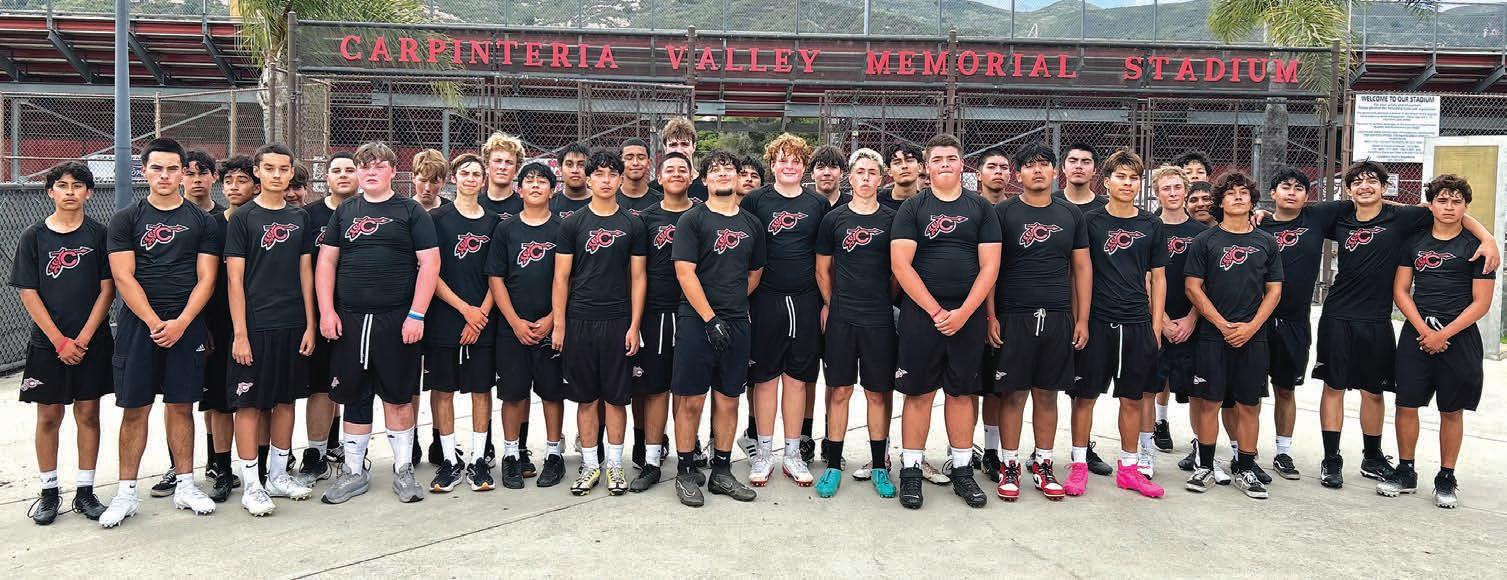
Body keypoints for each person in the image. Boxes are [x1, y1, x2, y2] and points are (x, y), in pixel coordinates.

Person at [1308, 161, 1496, 489]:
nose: (1365, 187)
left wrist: (1488, 238)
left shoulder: (1402, 218)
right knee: (1334, 387)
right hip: (1338, 314)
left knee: (1374, 391)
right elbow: (1293, 213)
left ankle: (1373, 456)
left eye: (1372, 181)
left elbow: (1447, 210)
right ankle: (1332, 459)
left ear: (1385, 188)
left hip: (1378, 319)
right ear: (1348, 189)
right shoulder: (1338, 215)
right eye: (1358, 182)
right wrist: (1262, 215)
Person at [101, 138, 222, 527]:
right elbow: (123, 276)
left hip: (186, 324)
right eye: (157, 168)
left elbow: (207, 278)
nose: (165, 176)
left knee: (181, 405)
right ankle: (126, 493)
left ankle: (186, 485)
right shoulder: (125, 219)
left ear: (183, 172)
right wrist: (155, 322)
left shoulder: (203, 221)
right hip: (141, 325)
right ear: (145, 171)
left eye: (173, 169)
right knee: (135, 408)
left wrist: (182, 322)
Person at [316, 141, 440, 504]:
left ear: (392, 171)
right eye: (364, 166)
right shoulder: (345, 211)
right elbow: (326, 262)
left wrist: (416, 314)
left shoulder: (410, 211)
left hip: (396, 319)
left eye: (379, 166)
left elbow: (430, 264)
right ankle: (354, 471)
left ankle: (403, 470)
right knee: (354, 396)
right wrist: (327, 311)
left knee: (398, 398)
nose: (370, 172)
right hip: (351, 320)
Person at [890, 134, 1000, 509]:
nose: (945, 164)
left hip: (966, 315)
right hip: (922, 315)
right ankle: (911, 470)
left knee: (961, 393)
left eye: (951, 158)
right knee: (919, 393)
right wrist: (936, 312)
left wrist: (965, 312)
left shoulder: (980, 208)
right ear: (927, 166)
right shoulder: (913, 208)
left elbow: (990, 266)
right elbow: (901, 265)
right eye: (937, 159)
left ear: (962, 163)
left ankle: (963, 471)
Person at [1379, 174, 1495, 508]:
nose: (1449, 207)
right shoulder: (1414, 242)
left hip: (1458, 337)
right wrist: (1424, 330)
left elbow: (1481, 303)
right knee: (1406, 404)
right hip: (1417, 333)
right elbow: (1401, 290)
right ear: (1430, 205)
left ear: (1466, 206)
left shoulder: (1477, 248)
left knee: (1451, 409)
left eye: (1456, 201)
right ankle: (1405, 470)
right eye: (1442, 200)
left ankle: (1446, 476)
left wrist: (1443, 334)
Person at [985, 143, 1089, 502]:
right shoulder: (1003, 213)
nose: (1038, 171)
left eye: (1044, 164)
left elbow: (1081, 269)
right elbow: (990, 268)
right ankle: (1009, 465)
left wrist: (1082, 318)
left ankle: (1044, 465)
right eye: (1030, 165)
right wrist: (990, 315)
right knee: (1013, 394)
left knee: (1047, 394)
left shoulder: (1070, 214)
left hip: (1058, 315)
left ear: (1055, 172)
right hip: (1014, 315)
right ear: (1018, 174)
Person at [12, 162, 114, 524]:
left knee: (88, 414)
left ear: (89, 192)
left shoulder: (100, 234)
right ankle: (49, 492)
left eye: (77, 186)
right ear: (50, 191)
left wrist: (83, 338)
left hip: (91, 342)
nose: (70, 192)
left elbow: (107, 289)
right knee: (49, 416)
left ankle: (85, 492)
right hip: (48, 344)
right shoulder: (33, 236)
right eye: (62, 185)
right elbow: (28, 291)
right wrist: (59, 341)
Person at [223, 144, 318, 515]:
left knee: (285, 401)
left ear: (291, 172)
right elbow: (234, 280)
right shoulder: (242, 218)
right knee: (248, 405)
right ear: (258, 172)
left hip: (292, 324)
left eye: (283, 169)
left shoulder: (300, 218)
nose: (277, 175)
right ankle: (252, 484)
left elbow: (306, 273)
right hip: (255, 326)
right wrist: (240, 333)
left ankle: (278, 475)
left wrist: (310, 324)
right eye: (270, 168)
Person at [1068, 149, 1166, 499]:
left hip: (1136, 322)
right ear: (1106, 181)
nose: (1127, 183)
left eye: (1133, 178)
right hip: (1097, 321)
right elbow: (1077, 274)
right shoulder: (1090, 221)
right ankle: (1079, 465)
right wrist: (1080, 320)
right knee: (1084, 397)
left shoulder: (1151, 224)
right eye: (1120, 177)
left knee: (1133, 399)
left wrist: (1156, 327)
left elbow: (1158, 278)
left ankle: (1129, 468)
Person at [551, 151, 648, 496]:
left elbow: (638, 277)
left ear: (620, 179)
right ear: (589, 179)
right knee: (587, 399)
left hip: (617, 319)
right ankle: (591, 464)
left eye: (612, 174)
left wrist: (634, 325)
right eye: (599, 174)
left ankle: (615, 465)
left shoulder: (633, 224)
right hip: (580, 320)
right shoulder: (572, 224)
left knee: (616, 399)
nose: (606, 180)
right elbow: (561, 278)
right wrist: (559, 324)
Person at [1183, 171, 1284, 500]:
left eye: (1243, 192)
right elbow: (1193, 287)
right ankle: (1205, 466)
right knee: (1209, 402)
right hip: (1213, 336)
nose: (1238, 197)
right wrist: (1221, 324)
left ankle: (1245, 467)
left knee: (1248, 404)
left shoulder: (1266, 242)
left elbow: (1274, 290)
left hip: (1253, 337)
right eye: (1230, 193)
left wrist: (1251, 326)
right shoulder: (1206, 241)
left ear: (1252, 199)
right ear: (1220, 202)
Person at [739, 133, 829, 487]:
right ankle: (763, 453)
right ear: (772, 164)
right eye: (782, 159)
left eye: (796, 160)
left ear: (803, 166)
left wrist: (827, 301)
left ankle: (792, 453)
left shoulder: (817, 204)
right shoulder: (755, 201)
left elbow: (825, 259)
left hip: (805, 299)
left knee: (796, 379)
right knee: (765, 379)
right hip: (766, 298)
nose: (789, 165)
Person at [667, 182, 765, 507]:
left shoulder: (751, 223)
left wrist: (731, 305)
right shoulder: (692, 220)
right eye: (716, 169)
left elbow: (754, 273)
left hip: (736, 321)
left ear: (736, 178)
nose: (723, 174)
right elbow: (685, 273)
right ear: (706, 180)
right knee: (691, 401)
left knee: (728, 400)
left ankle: (722, 472)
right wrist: (710, 318)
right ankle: (685, 472)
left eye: (728, 168)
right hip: (697, 321)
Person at [812, 148, 897, 499]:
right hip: (843, 317)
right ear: (850, 176)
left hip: (878, 318)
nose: (865, 178)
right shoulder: (834, 219)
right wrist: (832, 303)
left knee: (877, 393)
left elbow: (897, 272)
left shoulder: (893, 219)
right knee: (840, 391)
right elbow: (822, 269)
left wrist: (882, 300)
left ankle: (878, 465)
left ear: (881, 178)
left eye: (872, 172)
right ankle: (833, 465)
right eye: (860, 171)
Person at [1253, 167, 1340, 481]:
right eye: (1285, 187)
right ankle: (1244, 452)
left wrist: (1427, 206)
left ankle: (1283, 451)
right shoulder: (1256, 224)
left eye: (1299, 188)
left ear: (1307, 195)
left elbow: (1370, 202)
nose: (1292, 192)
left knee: (1285, 389)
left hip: (1294, 321)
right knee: (1249, 391)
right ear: (1272, 193)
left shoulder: (1316, 218)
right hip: (1256, 320)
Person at [487, 162, 569, 490]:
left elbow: (569, 279)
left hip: (550, 325)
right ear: (519, 189)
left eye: (542, 181)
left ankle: (553, 454)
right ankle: (511, 454)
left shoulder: (563, 228)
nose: (535, 186)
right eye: (529, 181)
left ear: (553, 189)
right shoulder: (506, 229)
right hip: (513, 327)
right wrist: (514, 322)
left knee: (552, 393)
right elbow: (496, 278)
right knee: (513, 394)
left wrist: (552, 319)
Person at [422, 153, 498, 493]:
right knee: (444, 390)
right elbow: (431, 272)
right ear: (454, 178)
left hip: (482, 319)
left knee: (481, 390)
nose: (470, 178)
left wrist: (479, 315)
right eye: (464, 173)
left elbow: (498, 276)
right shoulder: (437, 219)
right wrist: (464, 309)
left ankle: (479, 459)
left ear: (483, 180)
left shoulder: (494, 223)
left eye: (476, 174)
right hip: (446, 317)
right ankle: (450, 460)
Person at [628, 152, 696, 491]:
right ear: (659, 175)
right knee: (655, 389)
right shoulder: (646, 218)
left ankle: (687, 456)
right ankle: (652, 460)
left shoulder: (701, 215)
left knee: (687, 389)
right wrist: (635, 320)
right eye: (670, 169)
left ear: (692, 176)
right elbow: (637, 273)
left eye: (683, 169)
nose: (676, 174)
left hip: (693, 312)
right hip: (656, 312)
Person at [295, 152, 357, 487]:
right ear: (327, 178)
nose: (343, 175)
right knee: (320, 386)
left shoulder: (369, 212)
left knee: (352, 384)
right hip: (319, 313)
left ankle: (350, 449)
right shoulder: (309, 216)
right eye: (337, 170)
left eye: (350, 169)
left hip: (359, 311)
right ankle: (316, 453)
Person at [1152, 165, 1208, 470]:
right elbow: (1145, 278)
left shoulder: (1202, 233)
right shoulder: (1149, 227)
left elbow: (1208, 282)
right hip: (1158, 317)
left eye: (1177, 187)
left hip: (1191, 319)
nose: (1172, 193)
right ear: (1156, 193)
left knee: (1197, 387)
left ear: (1185, 191)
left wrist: (1192, 318)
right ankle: (1159, 424)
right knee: (1155, 381)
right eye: (1166, 188)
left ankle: (1200, 445)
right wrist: (1160, 319)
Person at [971, 147, 1011, 480]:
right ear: (979, 174)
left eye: (1003, 167)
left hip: (1008, 311)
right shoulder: (968, 209)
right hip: (970, 308)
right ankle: (960, 449)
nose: (998, 171)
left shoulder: (1015, 211)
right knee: (966, 387)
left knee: (999, 387)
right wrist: (984, 313)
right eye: (991, 166)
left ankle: (992, 451)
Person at [652, 117, 709, 202]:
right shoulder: (654, 189)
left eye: (684, 144)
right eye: (673, 145)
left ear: (694, 147)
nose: (679, 150)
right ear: (665, 148)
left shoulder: (707, 186)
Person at [479, 132, 525, 222]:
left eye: (509, 162)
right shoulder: (475, 204)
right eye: (497, 161)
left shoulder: (525, 206)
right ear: (487, 166)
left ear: (516, 170)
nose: (502, 167)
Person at [1054, 143, 1105, 214]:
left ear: (1094, 170)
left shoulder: (1106, 207)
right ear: (1063, 168)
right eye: (1072, 161)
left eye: (1086, 162)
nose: (1078, 166)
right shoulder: (1049, 202)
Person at [617, 138, 662, 216]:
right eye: (629, 158)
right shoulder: (609, 200)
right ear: (620, 163)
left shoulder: (662, 202)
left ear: (648, 163)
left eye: (641, 158)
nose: (635, 163)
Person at [551, 143, 592, 219]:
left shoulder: (601, 202)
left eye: (581, 165)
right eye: (569, 165)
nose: (575, 170)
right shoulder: (549, 204)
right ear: (560, 169)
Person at [877, 143, 923, 211]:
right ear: (889, 171)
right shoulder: (876, 202)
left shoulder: (927, 203)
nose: (904, 166)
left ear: (920, 167)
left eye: (909, 161)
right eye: (897, 163)